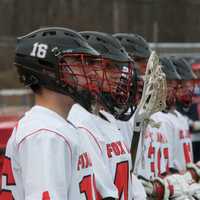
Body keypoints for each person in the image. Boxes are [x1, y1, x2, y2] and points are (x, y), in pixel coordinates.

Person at [0, 27, 116, 200]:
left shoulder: (59, 126)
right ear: (49, 70)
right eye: (77, 62)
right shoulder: (45, 135)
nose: (90, 71)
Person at [68, 31, 146, 200]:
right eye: (110, 67)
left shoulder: (107, 120)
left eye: (119, 68)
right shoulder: (80, 124)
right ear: (86, 69)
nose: (119, 76)